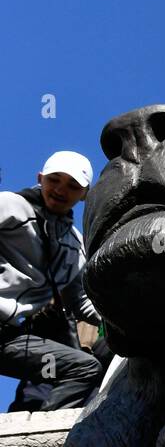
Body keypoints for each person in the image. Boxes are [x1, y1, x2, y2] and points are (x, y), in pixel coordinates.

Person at [0, 151, 103, 410]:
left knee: (84, 367)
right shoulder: (12, 206)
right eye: (54, 179)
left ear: (84, 194)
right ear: (40, 178)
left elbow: (80, 300)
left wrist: (122, 322)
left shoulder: (74, 244)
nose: (60, 189)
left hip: (9, 337)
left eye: (72, 186)